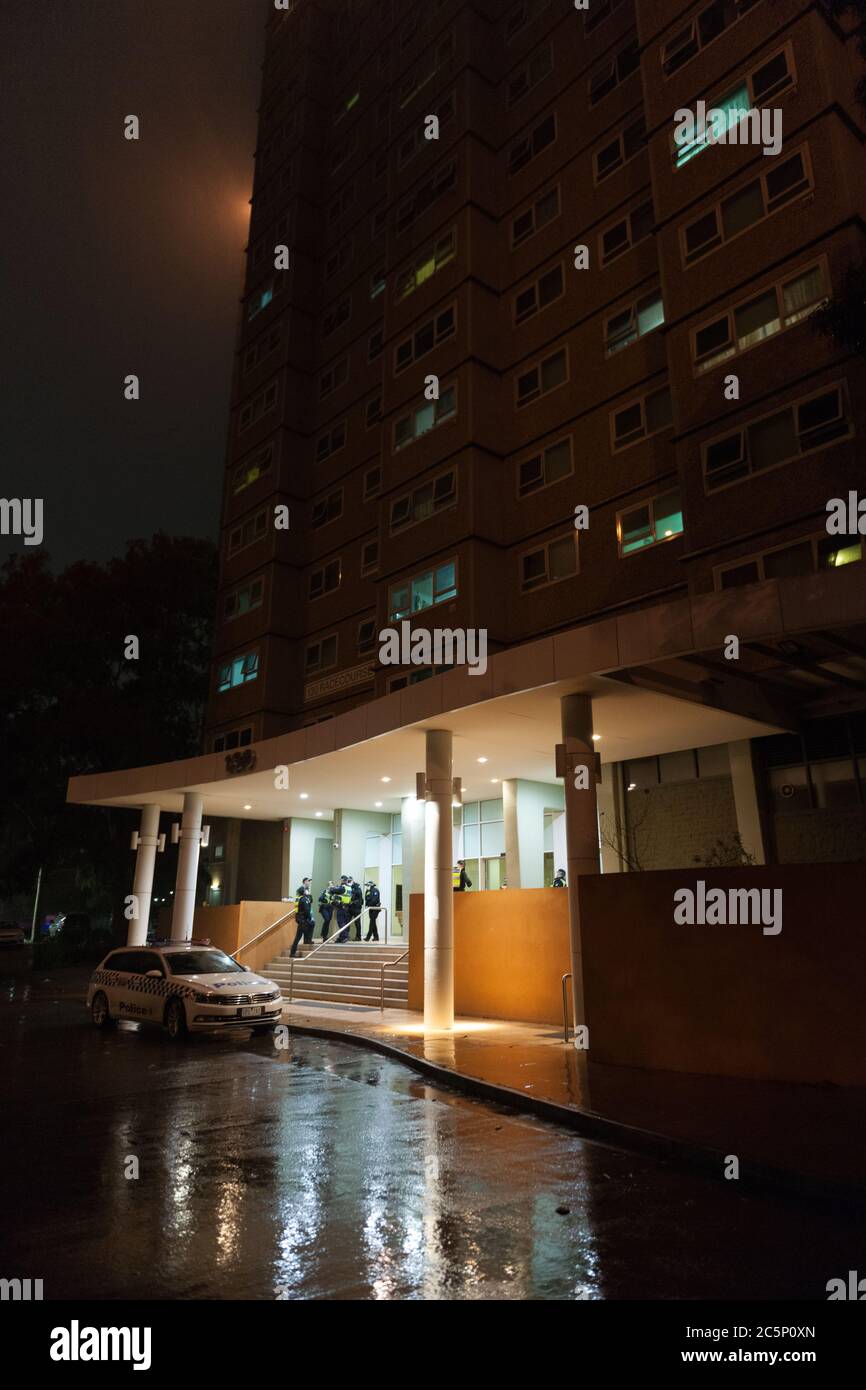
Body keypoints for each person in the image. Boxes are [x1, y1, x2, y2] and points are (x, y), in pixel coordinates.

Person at [289, 878, 314, 957]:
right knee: (298, 937)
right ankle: (292, 953)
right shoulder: (303, 899)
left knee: (311, 925)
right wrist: (309, 917)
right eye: (305, 890)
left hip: (300, 918)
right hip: (303, 919)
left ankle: (307, 940)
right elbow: (307, 910)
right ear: (303, 892)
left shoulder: (299, 898)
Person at [334, 875, 353, 943]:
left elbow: (333, 890)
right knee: (344, 923)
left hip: (341, 907)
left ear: (343, 880)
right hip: (346, 907)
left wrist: (333, 887)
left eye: (341, 879)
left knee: (341, 922)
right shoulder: (349, 888)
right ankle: (341, 937)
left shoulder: (343, 887)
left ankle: (345, 936)